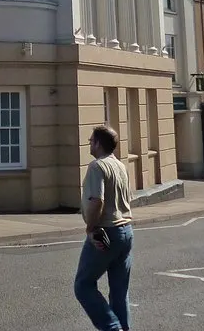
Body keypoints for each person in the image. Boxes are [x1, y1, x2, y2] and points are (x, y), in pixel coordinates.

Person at [74, 124, 134, 331]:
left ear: (99, 144)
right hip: (126, 230)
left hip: (105, 231)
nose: (89, 143)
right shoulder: (120, 166)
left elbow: (96, 201)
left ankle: (112, 328)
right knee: (119, 291)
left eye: (91, 140)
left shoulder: (97, 166)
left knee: (83, 285)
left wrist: (91, 229)